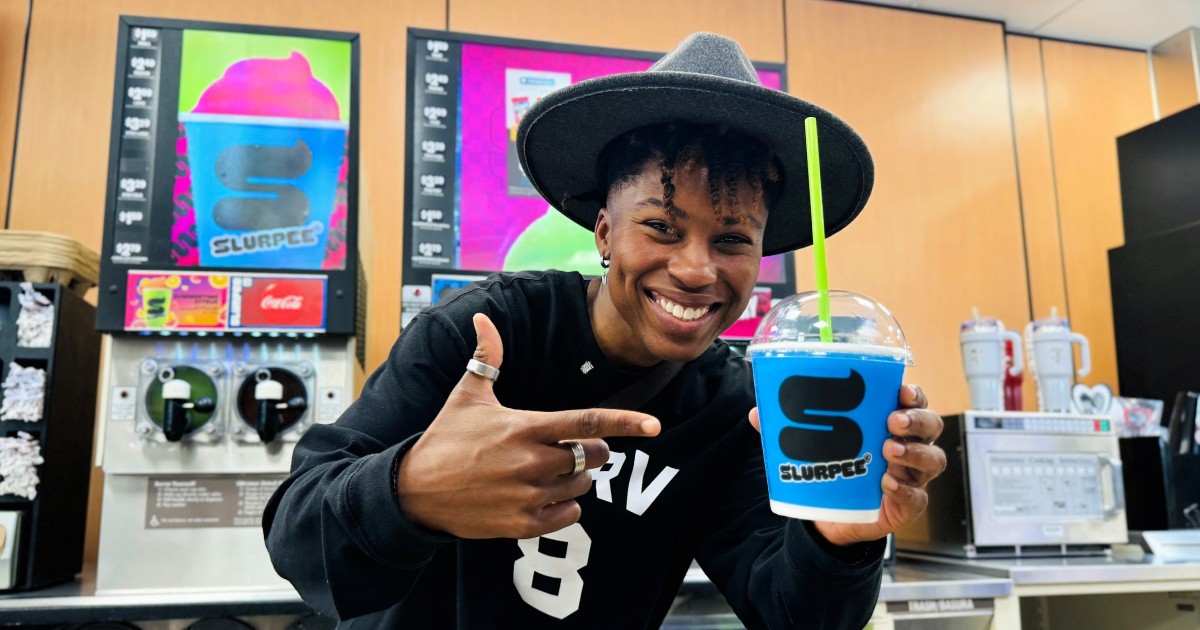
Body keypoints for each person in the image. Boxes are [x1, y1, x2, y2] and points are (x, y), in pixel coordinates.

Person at [263, 33, 947, 629]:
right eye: (661, 227)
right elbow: (298, 539)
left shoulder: (734, 406)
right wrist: (408, 489)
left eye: (733, 238)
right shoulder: (486, 334)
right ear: (604, 234)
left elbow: (795, 614)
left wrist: (841, 534)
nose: (696, 268)